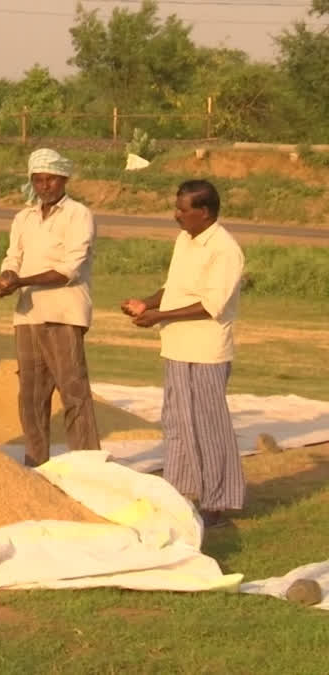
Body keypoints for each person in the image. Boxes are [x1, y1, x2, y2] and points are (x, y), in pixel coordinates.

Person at [121, 180, 245, 528]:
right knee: (176, 423)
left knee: (209, 426)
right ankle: (180, 492)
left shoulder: (224, 249)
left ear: (204, 212)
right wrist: (146, 303)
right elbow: (173, 288)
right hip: (176, 346)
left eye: (182, 210)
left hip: (206, 350)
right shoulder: (184, 240)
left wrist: (158, 317)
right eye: (176, 208)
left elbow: (211, 305)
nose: (176, 215)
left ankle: (217, 500)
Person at [0, 147, 99, 467]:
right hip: (28, 314)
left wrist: (19, 282)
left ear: (63, 179)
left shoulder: (78, 214)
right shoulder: (24, 216)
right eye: (38, 179)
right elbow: (13, 258)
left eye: (51, 179)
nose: (45, 185)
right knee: (31, 395)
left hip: (64, 311)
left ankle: (87, 466)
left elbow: (69, 269)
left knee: (73, 390)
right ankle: (37, 461)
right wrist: (6, 278)